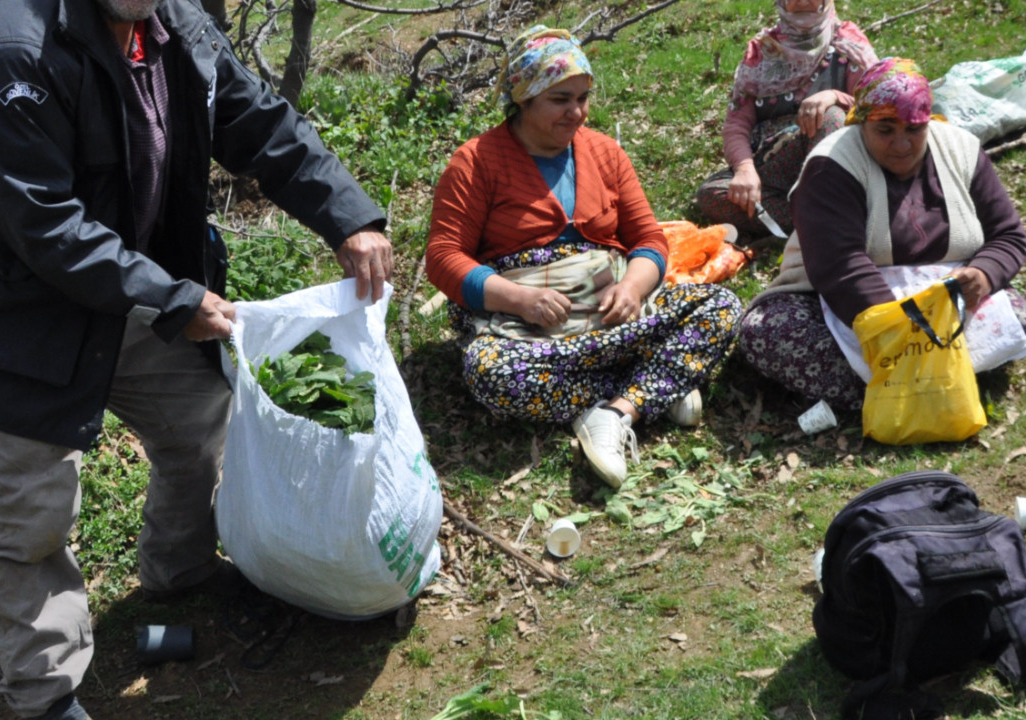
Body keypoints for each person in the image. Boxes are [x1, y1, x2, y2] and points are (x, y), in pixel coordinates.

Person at [0, 0, 392, 715]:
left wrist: (347, 214)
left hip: (127, 290)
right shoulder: (12, 55)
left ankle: (182, 570)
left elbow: (258, 123)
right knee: (29, 519)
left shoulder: (175, 26)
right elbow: (43, 224)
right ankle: (45, 695)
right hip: (8, 318)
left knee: (199, 423)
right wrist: (171, 299)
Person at [425, 26, 742, 489]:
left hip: (612, 315)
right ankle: (651, 383)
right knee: (489, 372)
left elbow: (649, 240)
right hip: (530, 327)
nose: (577, 112)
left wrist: (632, 288)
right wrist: (517, 299)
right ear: (524, 98)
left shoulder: (604, 153)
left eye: (583, 97)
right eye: (560, 99)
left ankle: (618, 410)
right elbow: (443, 256)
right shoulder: (476, 163)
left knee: (721, 308)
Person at [737, 58, 1026, 410]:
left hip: (948, 301)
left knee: (1019, 311)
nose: (902, 145)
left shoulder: (962, 149)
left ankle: (909, 387)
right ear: (862, 123)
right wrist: (901, 330)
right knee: (767, 331)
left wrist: (983, 274)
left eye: (914, 130)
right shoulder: (831, 166)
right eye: (885, 130)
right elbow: (839, 266)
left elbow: (1009, 234)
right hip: (852, 306)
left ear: (927, 123)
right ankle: (937, 385)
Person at [694, 0, 877, 239]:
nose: (802, 2)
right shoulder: (762, 52)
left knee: (831, 117)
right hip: (774, 165)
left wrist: (834, 97)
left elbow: (877, 112)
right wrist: (745, 170)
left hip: (834, 169)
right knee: (711, 194)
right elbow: (737, 124)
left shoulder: (848, 46)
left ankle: (830, 215)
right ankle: (820, 221)